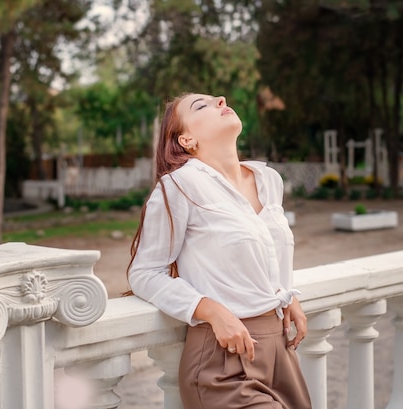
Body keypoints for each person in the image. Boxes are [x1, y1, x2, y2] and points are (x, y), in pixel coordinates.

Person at [126, 93, 312, 409]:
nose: (222, 101)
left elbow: (268, 249)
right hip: (221, 359)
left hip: (280, 349)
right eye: (202, 106)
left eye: (218, 100)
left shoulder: (269, 180)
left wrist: (285, 292)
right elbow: (144, 272)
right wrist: (210, 310)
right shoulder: (179, 186)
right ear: (186, 139)